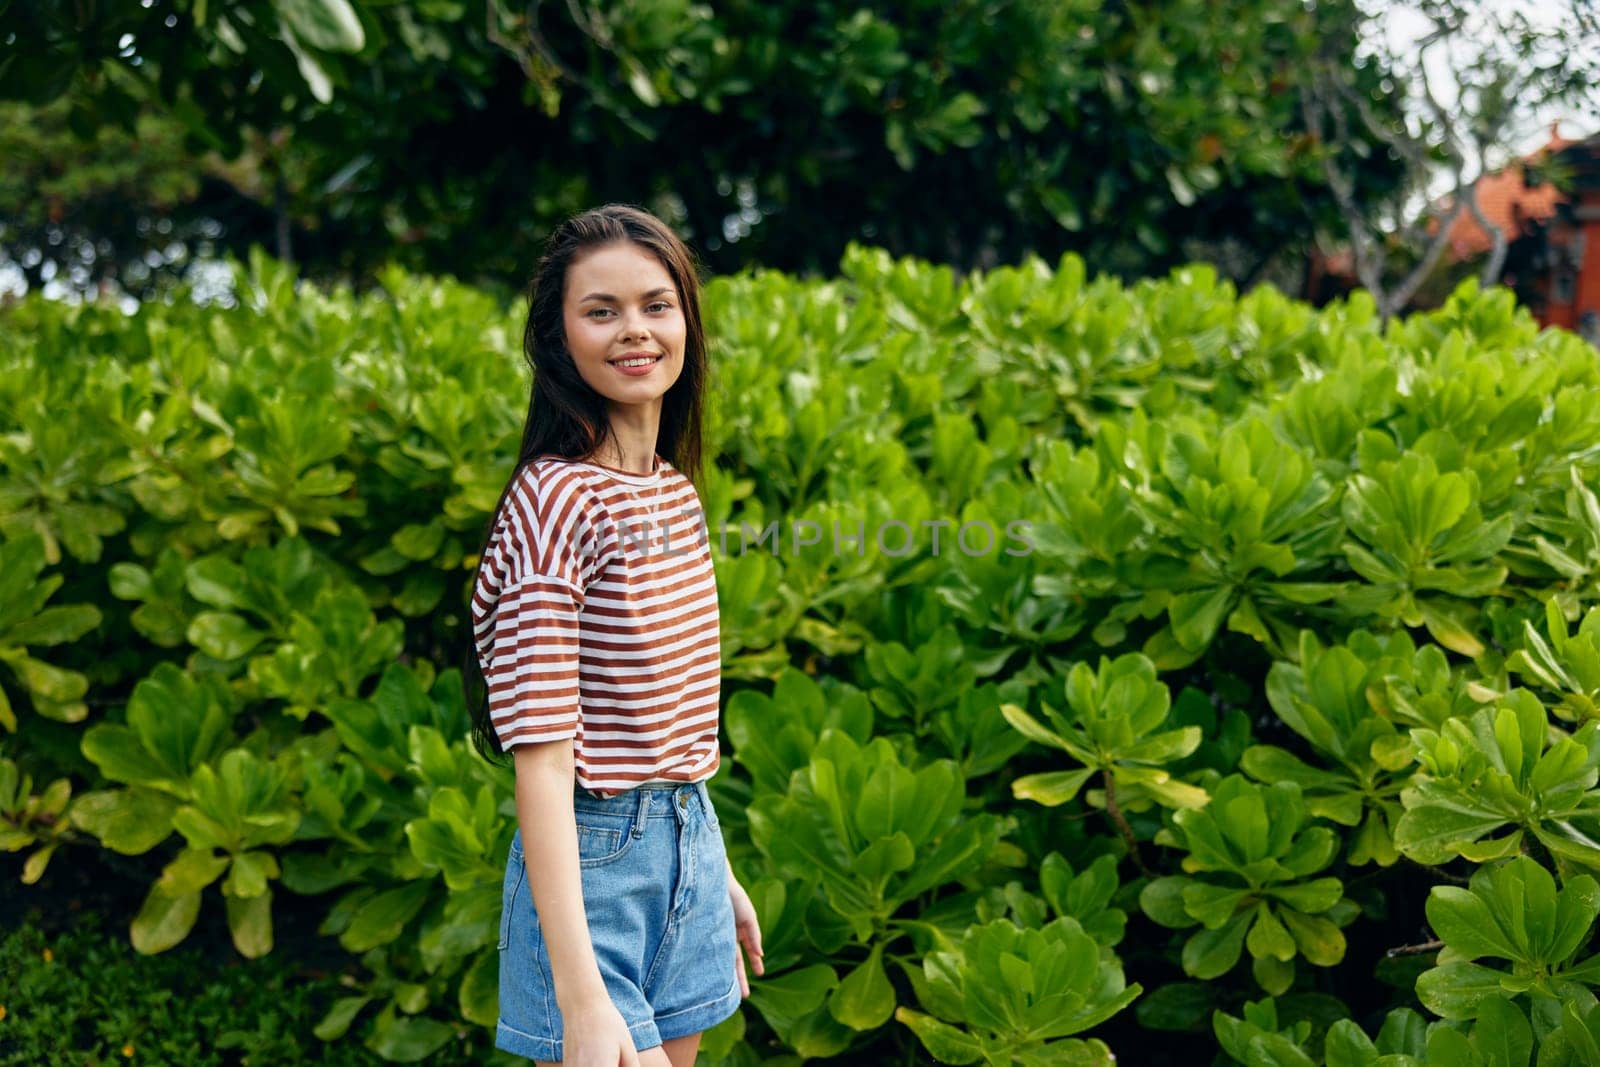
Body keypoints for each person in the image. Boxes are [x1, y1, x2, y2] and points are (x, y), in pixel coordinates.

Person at [464, 204, 764, 1067]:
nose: (634, 331)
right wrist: (578, 991)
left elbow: (656, 715)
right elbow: (544, 758)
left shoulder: (672, 492)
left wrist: (711, 868)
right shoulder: (555, 501)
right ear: (559, 337)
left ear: (686, 323)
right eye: (601, 310)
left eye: (655, 304)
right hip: (594, 866)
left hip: (688, 838)